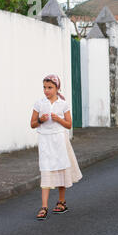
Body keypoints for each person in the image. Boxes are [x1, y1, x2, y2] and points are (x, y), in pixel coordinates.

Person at [30, 75, 82, 220]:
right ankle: (44, 206)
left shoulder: (63, 104)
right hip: (45, 140)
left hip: (59, 140)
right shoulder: (39, 103)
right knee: (46, 169)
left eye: (50, 88)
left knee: (61, 168)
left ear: (57, 88)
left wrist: (58, 119)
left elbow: (69, 124)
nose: (46, 91)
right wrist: (41, 119)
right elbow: (32, 124)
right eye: (45, 87)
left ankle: (61, 201)